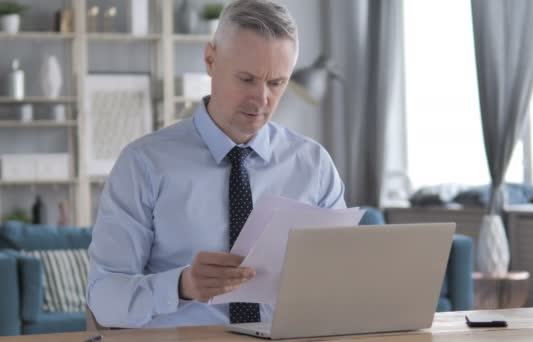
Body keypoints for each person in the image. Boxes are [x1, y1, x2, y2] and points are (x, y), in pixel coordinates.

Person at [87, 0, 346, 329]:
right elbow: (104, 297)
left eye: (276, 83)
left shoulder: (314, 166)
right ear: (211, 59)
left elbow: (340, 283)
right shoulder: (143, 164)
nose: (261, 98)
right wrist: (181, 286)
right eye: (247, 79)